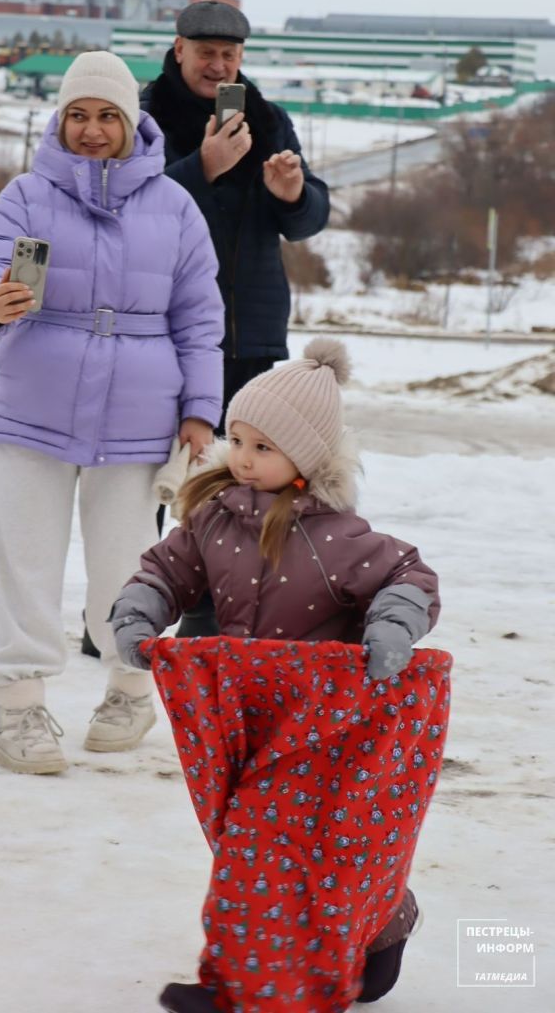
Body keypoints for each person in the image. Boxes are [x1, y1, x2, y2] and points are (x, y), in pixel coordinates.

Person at [111, 339, 444, 1013]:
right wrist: (140, 610)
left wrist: (391, 626)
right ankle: (378, 920)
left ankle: (246, 988)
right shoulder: (214, 520)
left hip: (321, 724)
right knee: (249, 839)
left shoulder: (336, 537)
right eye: (238, 438)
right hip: (241, 719)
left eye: (263, 446)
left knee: (260, 843)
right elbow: (166, 570)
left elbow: (407, 574)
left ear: (307, 457)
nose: (242, 456)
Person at [0, 51, 224, 772]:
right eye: (78, 114)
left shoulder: (174, 205)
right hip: (32, 408)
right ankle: (19, 710)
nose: (91, 129)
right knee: (24, 562)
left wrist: (201, 409)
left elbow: (201, 317)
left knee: (128, 568)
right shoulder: (26, 193)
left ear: (131, 121)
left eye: (107, 115)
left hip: (139, 417)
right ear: (60, 119)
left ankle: (130, 689)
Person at [141, 0, 330, 638]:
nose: (217, 66)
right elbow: (129, 210)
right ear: (178, 50)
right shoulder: (144, 113)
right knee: (151, 476)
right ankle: (129, 607)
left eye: (229, 56)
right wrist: (202, 169)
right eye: (205, 54)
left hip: (247, 327)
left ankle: (213, 610)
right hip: (159, 324)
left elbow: (309, 218)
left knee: (238, 477)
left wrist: (293, 194)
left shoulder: (268, 118)